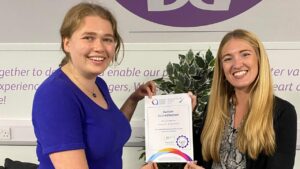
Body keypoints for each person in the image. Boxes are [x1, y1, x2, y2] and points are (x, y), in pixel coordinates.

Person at [32, 2, 156, 169]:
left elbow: (109, 129)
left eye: (107, 39)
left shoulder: (98, 84)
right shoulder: (55, 95)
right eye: (88, 37)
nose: (99, 47)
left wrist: (133, 99)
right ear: (67, 43)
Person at [186, 29, 297, 169]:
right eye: (228, 58)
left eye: (245, 54)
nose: (237, 64)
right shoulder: (214, 108)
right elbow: (199, 158)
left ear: (259, 59)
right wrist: (184, 116)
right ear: (222, 68)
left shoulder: (282, 112)